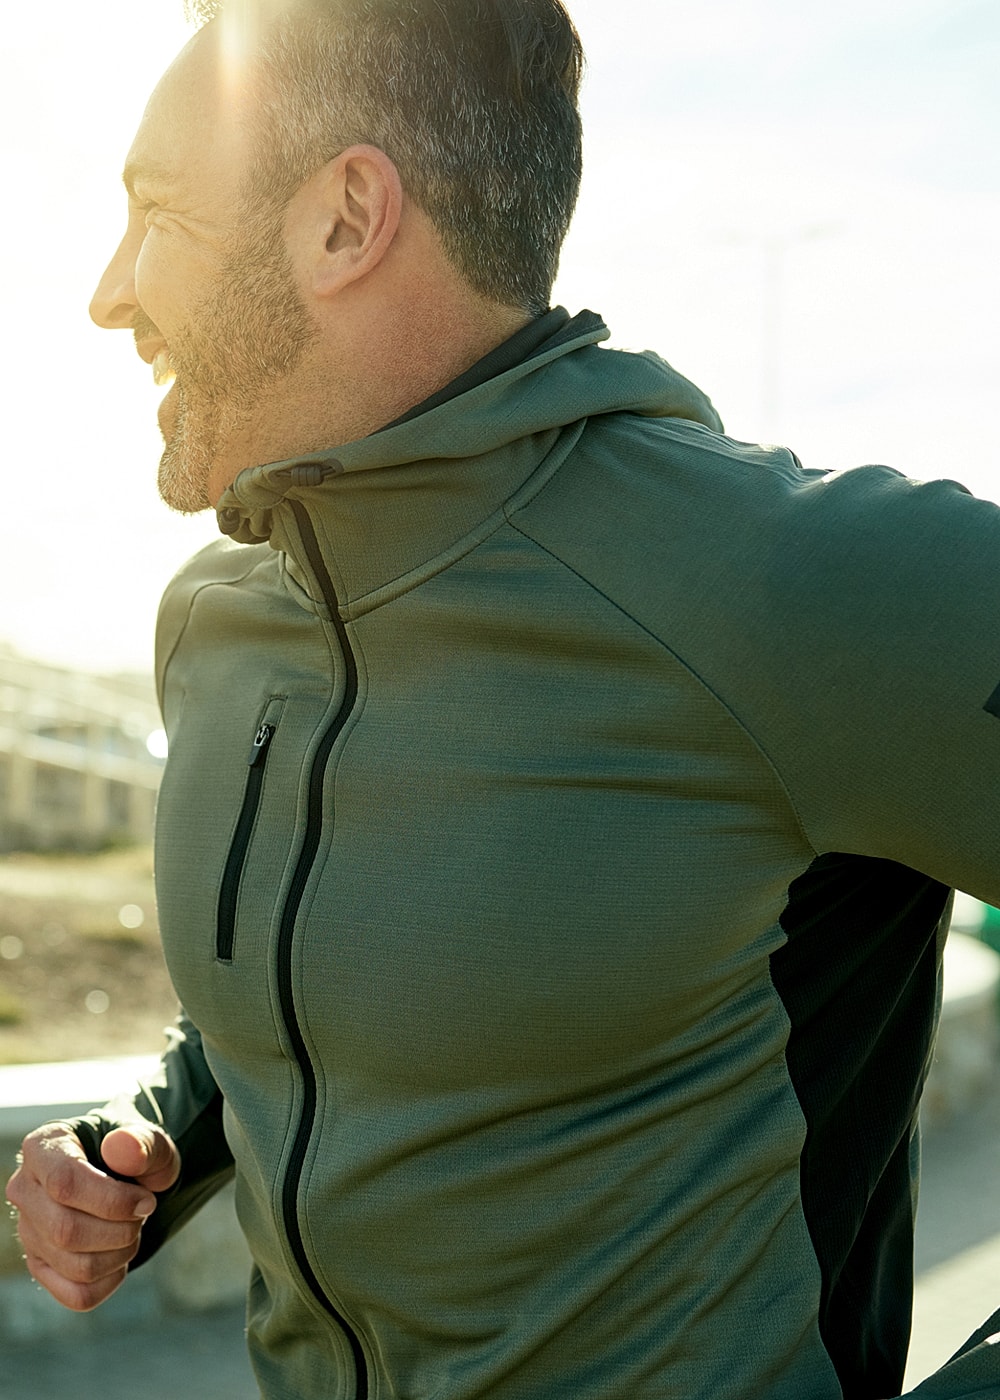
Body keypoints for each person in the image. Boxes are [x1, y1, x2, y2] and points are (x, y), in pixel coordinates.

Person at [6, 2, 1000, 1396]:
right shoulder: (215, 622)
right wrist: (149, 1136)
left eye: (159, 215)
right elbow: (315, 997)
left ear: (347, 220)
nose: (110, 292)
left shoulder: (787, 581)